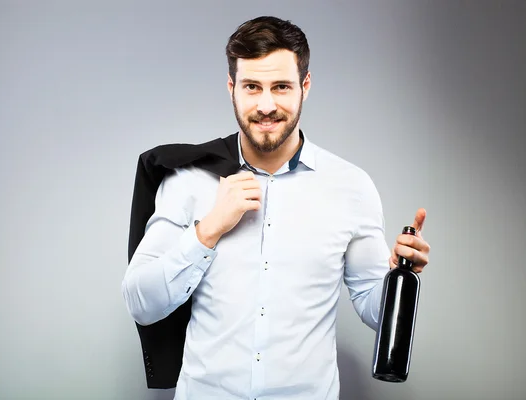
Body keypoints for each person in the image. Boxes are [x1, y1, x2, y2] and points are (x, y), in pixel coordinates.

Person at [122, 15, 431, 400]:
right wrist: (208, 231)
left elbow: (375, 311)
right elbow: (141, 304)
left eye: (281, 87)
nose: (266, 105)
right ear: (232, 88)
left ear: (305, 86)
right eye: (252, 87)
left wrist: (397, 276)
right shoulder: (187, 182)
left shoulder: (351, 188)